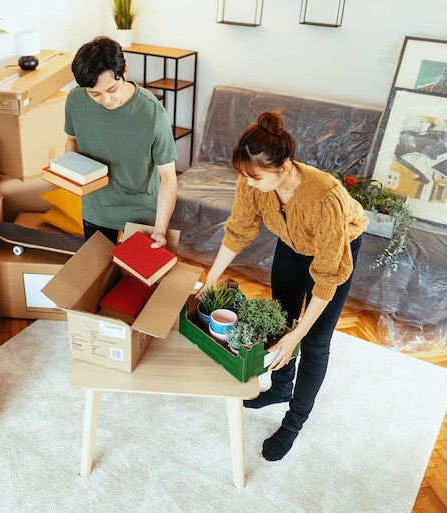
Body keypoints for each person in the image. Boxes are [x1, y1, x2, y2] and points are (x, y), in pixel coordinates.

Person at [198, 111, 368, 461]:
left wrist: (297, 336)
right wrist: (211, 278)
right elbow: (240, 228)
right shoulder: (252, 180)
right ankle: (279, 389)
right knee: (280, 320)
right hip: (291, 245)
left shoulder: (325, 197)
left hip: (335, 251)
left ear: (285, 166)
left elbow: (326, 278)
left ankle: (294, 422)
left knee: (314, 341)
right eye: (244, 176)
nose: (248, 184)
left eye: (256, 178)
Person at [64, 36, 178, 248]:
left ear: (124, 71)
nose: (106, 100)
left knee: (137, 280)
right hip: (96, 208)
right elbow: (72, 140)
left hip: (140, 213)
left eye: (112, 89)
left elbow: (168, 176)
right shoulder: (75, 100)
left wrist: (161, 230)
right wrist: (71, 174)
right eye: (94, 93)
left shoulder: (152, 112)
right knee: (98, 276)